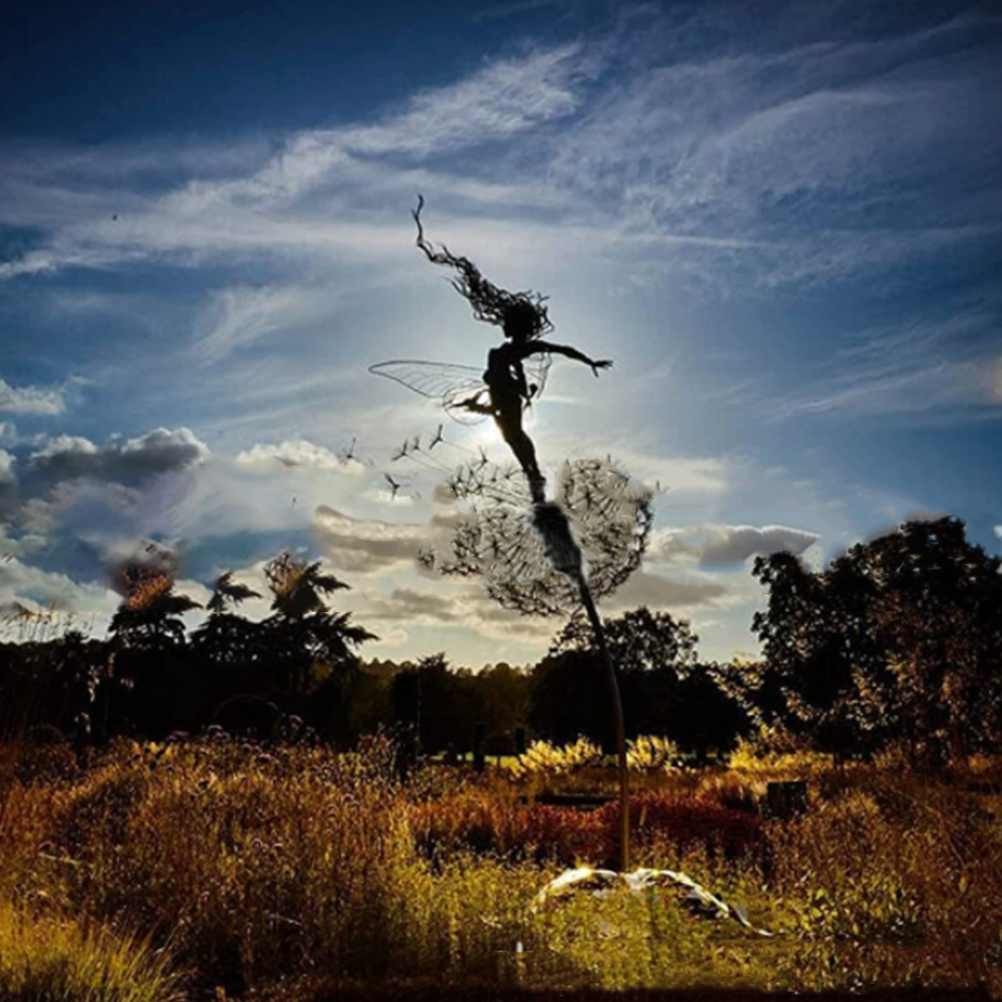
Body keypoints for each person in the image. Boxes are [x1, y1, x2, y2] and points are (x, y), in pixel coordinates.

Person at [414, 199, 611, 502]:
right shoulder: (498, 353)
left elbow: (562, 349)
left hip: (507, 399)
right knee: (510, 438)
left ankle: (534, 475)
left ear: (517, 325)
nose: (505, 326)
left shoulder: (518, 349)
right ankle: (532, 475)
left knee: (515, 436)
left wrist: (589, 361)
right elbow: (502, 379)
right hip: (500, 399)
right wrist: (476, 404)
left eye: (509, 323)